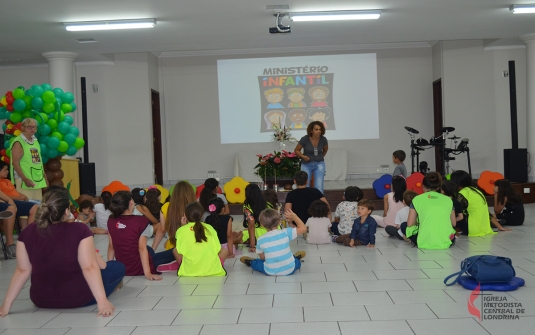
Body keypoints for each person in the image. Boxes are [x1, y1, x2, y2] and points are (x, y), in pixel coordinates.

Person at [0, 187, 124, 317]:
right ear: (66, 211)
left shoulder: (27, 232)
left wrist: (5, 306)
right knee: (117, 266)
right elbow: (89, 267)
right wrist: (102, 301)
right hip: (79, 297)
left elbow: (22, 270)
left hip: (41, 299)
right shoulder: (80, 229)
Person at [107, 191, 178, 280]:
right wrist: (148, 273)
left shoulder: (111, 221)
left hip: (123, 267)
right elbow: (142, 248)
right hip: (138, 267)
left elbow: (111, 246)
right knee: (176, 250)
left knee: (148, 249)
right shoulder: (141, 221)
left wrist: (109, 269)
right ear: (131, 203)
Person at [240, 208, 306, 276]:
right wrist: (295, 217)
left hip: (270, 271)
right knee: (296, 263)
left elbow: (263, 258)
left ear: (262, 225)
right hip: (290, 269)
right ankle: (295, 258)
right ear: (279, 222)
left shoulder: (260, 240)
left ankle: (251, 262)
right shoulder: (286, 232)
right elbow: (303, 228)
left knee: (257, 264)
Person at [401, 172, 456, 249]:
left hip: (423, 241)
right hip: (446, 241)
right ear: (438, 187)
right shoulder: (448, 200)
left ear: (423, 186)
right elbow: (453, 223)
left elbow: (410, 224)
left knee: (403, 225)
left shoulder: (416, 199)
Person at [173, 201, 228, 276]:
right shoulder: (209, 227)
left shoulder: (181, 230)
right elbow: (217, 248)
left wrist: (183, 227)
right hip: (212, 269)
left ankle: (185, 266)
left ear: (185, 215)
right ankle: (216, 266)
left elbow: (180, 249)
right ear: (202, 215)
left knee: (175, 250)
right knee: (224, 250)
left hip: (190, 271)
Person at [450, 170, 509, 235]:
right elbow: (488, 213)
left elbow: (454, 210)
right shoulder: (477, 191)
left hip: (471, 228)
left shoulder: (462, 193)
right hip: (484, 228)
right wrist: (500, 227)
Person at [10, 118, 47, 202]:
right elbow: (15, 163)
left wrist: (44, 177)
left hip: (37, 180)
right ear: (23, 128)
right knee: (26, 209)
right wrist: (25, 179)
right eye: (29, 127)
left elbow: (38, 162)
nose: (32, 129)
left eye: (34, 127)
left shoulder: (35, 141)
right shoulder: (18, 142)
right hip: (24, 181)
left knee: (37, 208)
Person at [0, 160, 39, 232]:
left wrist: (22, 195)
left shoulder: (7, 181)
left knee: (37, 205)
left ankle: (30, 233)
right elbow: (4, 196)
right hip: (9, 202)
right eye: (5, 170)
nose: (7, 171)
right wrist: (19, 198)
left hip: (17, 200)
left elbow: (14, 191)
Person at [293, 121, 328, 194]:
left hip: (319, 164)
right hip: (306, 164)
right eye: (316, 129)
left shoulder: (323, 139)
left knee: (319, 186)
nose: (318, 131)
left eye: (320, 129)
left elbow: (325, 150)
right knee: (305, 185)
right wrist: (303, 156)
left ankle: (319, 203)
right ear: (311, 130)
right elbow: (297, 150)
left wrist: (319, 157)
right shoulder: (305, 139)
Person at [164, 181, 197, 250]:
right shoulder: (196, 207)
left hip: (172, 246)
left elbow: (162, 228)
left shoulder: (166, 206)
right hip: (192, 247)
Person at [242, 184, 272, 252]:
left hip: (259, 234)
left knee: (239, 235)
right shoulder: (268, 204)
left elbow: (251, 225)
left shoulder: (247, 207)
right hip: (273, 233)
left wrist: (252, 246)